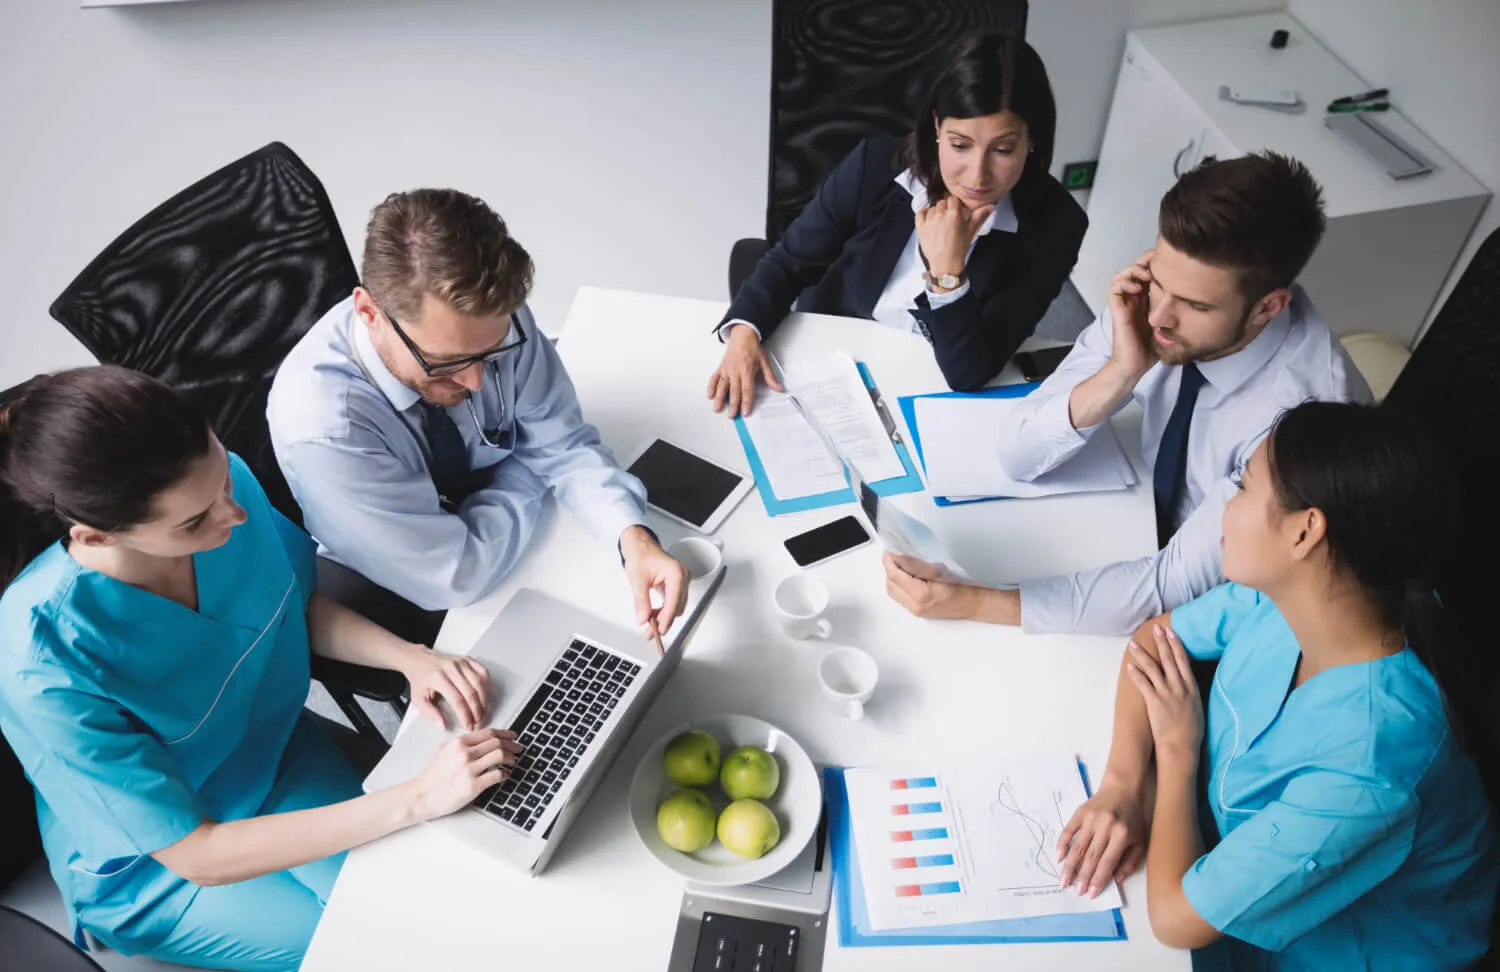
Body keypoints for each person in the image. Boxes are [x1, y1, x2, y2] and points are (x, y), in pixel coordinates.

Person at [0, 367, 520, 972]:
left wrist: (409, 658)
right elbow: (197, 853)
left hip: (272, 756)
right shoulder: (41, 659)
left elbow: (287, 601)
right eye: (193, 523)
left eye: (222, 477)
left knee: (447, 894)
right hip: (160, 865)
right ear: (96, 534)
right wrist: (417, 798)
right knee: (383, 949)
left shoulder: (221, 492)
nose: (232, 514)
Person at [1057, 401, 1498, 972]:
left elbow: (1176, 920)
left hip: (1334, 968)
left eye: (1242, 484)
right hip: (1228, 869)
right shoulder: (1305, 593)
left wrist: (1178, 753)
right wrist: (1122, 785)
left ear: (1304, 531)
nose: (1225, 501)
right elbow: (1153, 641)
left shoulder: (1372, 763)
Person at [883, 152, 1371, 635]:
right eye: (1159, 280)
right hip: (1133, 519)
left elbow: (1172, 584)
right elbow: (1019, 453)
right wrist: (1122, 370)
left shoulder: (1302, 418)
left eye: (1195, 305)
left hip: (1239, 604)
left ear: (1268, 308)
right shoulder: (1155, 300)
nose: (1159, 317)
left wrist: (975, 600)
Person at [268, 188, 688, 641]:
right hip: (405, 581)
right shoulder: (325, 433)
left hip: (506, 534)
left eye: (491, 355)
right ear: (369, 312)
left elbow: (564, 444)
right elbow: (456, 576)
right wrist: (528, 463)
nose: (476, 382)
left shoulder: (487, 318)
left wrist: (632, 537)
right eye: (445, 362)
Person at [708, 31, 1087, 411]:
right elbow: (790, 261)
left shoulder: (1056, 227)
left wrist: (947, 274)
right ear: (937, 126)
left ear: (1031, 140)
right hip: (837, 354)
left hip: (934, 385)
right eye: (960, 145)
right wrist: (743, 332)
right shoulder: (873, 166)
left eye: (1003, 150)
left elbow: (969, 372)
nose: (977, 176)